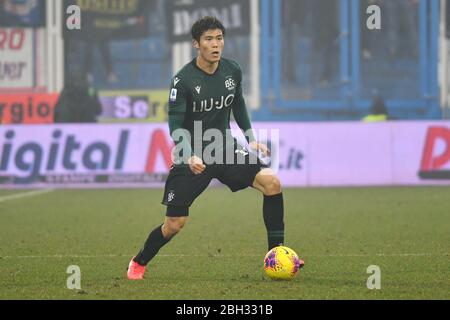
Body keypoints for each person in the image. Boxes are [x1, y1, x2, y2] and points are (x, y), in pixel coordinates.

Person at [127, 16, 303, 280]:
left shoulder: (232, 70)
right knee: (174, 225)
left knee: (272, 183)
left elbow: (238, 104)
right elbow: (175, 125)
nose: (215, 44)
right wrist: (188, 153)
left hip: (224, 146)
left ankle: (276, 257)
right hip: (193, 153)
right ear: (196, 44)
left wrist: (250, 138)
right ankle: (139, 261)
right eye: (208, 39)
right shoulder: (183, 80)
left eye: (219, 38)